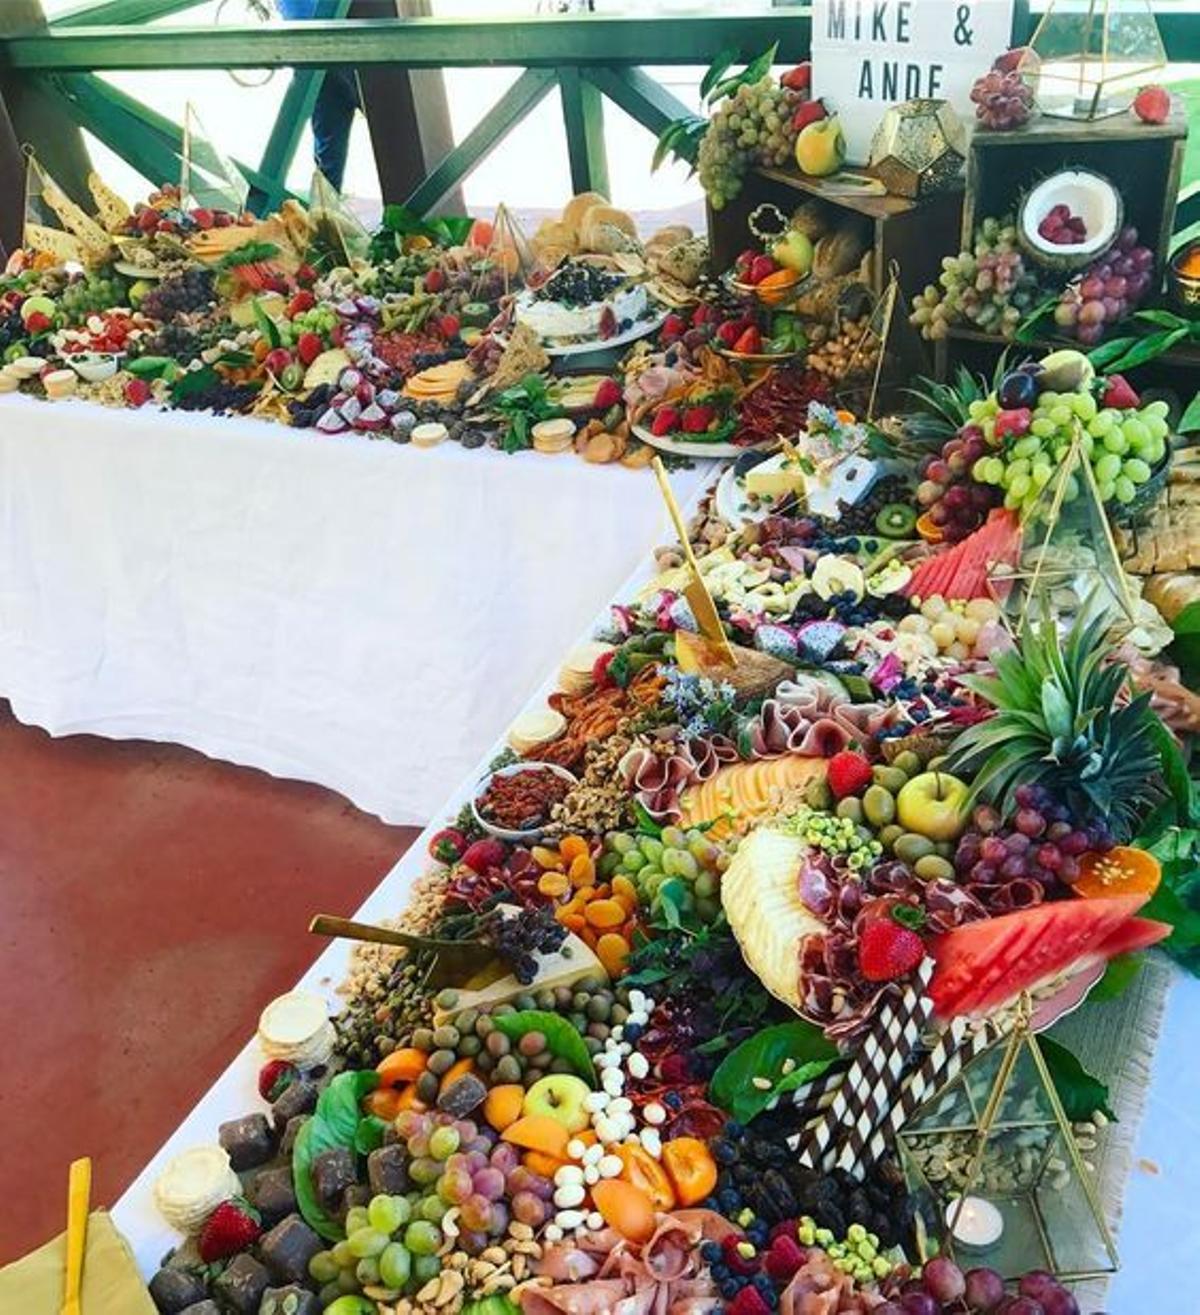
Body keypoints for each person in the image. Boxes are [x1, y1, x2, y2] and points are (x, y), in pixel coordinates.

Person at [276, 0, 361, 192]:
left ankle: (325, 210)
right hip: (328, 34)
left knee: (330, 148)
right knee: (395, 127)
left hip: (310, 38)